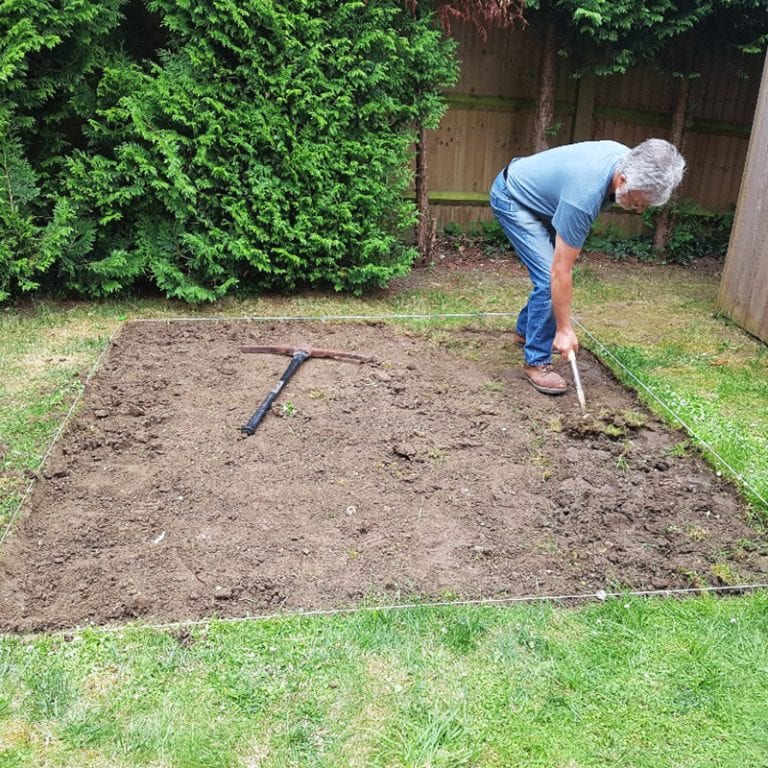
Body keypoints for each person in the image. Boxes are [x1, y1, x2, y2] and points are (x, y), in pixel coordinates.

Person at [490, 138, 685, 395]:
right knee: (549, 278)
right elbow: (560, 271)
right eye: (638, 202)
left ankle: (526, 332)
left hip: (545, 200)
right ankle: (536, 362)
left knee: (548, 274)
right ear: (624, 180)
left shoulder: (630, 162)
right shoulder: (584, 195)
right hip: (514, 198)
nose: (638, 211)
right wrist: (563, 329)